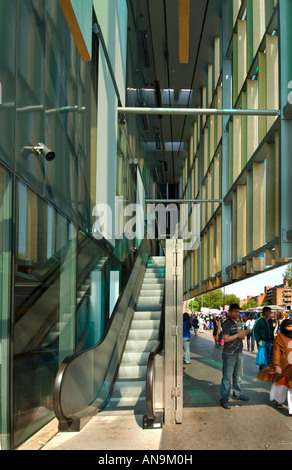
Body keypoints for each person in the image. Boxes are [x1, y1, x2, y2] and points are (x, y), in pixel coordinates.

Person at [257, 319, 292, 414]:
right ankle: (279, 401)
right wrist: (276, 365)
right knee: (281, 386)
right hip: (283, 366)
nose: (290, 328)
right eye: (288, 326)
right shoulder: (280, 338)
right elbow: (276, 353)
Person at [220, 304, 249, 409]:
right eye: (235, 311)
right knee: (227, 377)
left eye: (238, 312)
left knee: (238, 376)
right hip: (229, 353)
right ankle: (224, 399)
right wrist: (239, 335)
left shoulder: (239, 322)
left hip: (239, 352)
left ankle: (237, 393)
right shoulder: (226, 323)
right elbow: (226, 339)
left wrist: (244, 333)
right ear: (229, 312)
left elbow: (240, 336)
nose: (237, 313)